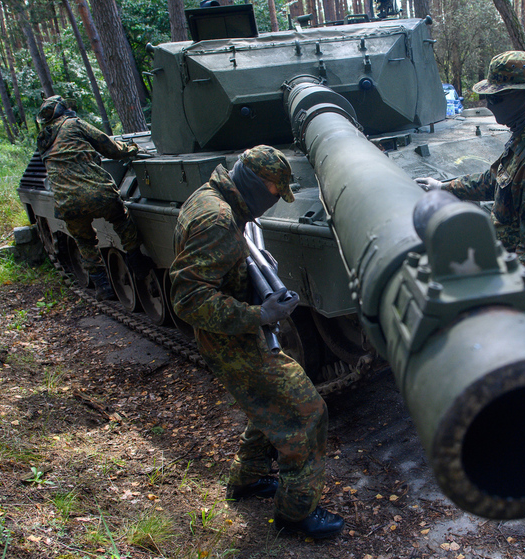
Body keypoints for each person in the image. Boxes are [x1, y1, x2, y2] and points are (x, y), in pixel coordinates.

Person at [169, 145, 344, 539]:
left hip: (234, 335)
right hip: (232, 339)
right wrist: (258, 315)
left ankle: (248, 479)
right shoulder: (217, 218)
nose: (272, 202)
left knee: (267, 403)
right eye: (271, 191)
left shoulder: (216, 199)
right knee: (306, 413)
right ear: (254, 183)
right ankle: (295, 514)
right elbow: (187, 299)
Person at [416, 51, 525, 299]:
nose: (487, 105)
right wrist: (443, 187)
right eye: (486, 97)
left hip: (521, 291)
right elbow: (495, 180)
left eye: (495, 98)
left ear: (523, 94)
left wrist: (500, 293)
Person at [36, 95, 153, 301]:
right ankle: (136, 261)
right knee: (121, 219)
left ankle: (102, 285)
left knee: (84, 239)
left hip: (66, 201)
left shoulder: (43, 138)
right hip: (96, 192)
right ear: (63, 109)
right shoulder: (73, 124)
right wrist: (133, 149)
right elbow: (109, 147)